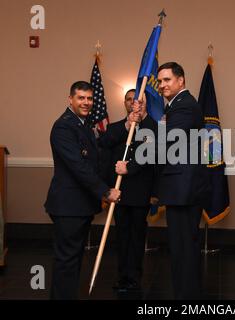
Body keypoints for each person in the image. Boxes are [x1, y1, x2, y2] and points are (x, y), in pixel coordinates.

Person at [44, 81, 126, 300]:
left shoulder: (83, 124)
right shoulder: (63, 126)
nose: (86, 102)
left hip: (79, 205)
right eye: (81, 98)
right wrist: (105, 191)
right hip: (68, 206)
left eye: (89, 98)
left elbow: (98, 157)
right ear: (70, 99)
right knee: (67, 262)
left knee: (73, 261)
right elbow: (78, 167)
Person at [156, 62, 209, 299]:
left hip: (183, 188)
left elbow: (167, 141)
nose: (162, 85)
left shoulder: (184, 106)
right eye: (160, 81)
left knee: (184, 248)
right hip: (181, 187)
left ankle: (187, 298)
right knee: (182, 247)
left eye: (167, 80)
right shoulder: (176, 106)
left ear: (181, 81)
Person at [105, 89, 157, 292]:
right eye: (130, 100)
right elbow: (105, 146)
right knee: (122, 236)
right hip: (119, 191)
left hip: (141, 191)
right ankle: (122, 276)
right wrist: (128, 124)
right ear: (125, 104)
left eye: (140, 101)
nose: (135, 103)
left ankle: (134, 276)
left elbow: (153, 156)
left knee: (136, 237)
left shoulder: (153, 127)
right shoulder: (115, 127)